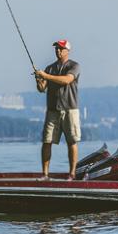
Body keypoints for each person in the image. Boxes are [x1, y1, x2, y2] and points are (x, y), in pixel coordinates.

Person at [35, 39, 81, 180]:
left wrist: (45, 76)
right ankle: (45, 174)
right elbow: (42, 89)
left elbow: (66, 80)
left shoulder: (74, 66)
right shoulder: (50, 68)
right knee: (47, 141)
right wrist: (39, 79)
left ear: (68, 50)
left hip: (70, 109)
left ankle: (72, 174)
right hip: (52, 110)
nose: (58, 51)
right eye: (56, 48)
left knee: (71, 141)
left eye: (61, 49)